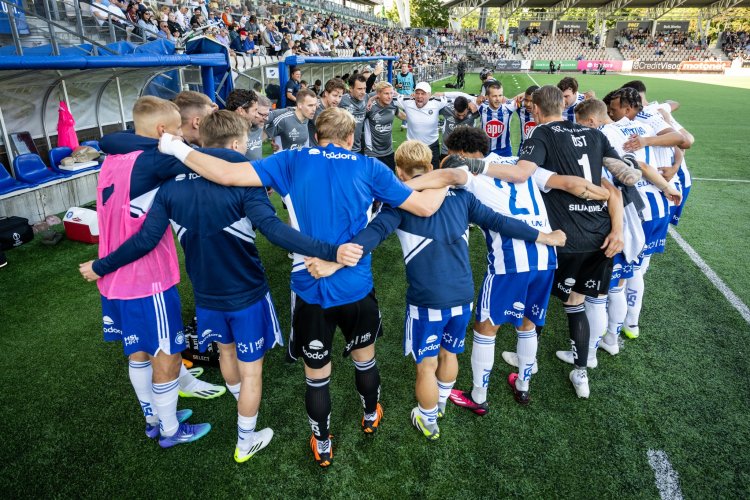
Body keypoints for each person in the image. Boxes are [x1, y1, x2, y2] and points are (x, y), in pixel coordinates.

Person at [155, 107, 467, 467]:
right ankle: (369, 416)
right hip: (355, 287)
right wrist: (446, 175)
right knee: (365, 361)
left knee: (316, 376)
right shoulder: (369, 167)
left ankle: (322, 442)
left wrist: (175, 147)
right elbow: (424, 207)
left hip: (309, 288)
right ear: (351, 139)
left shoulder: (289, 159)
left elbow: (224, 174)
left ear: (316, 134)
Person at [80, 111, 365, 462]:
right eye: (245, 141)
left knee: (227, 354)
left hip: (206, 297)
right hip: (247, 294)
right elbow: (275, 232)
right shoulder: (244, 183)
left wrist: (101, 266)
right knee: (252, 371)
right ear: (234, 143)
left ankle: (236, 407)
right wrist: (329, 250)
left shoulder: (169, 189)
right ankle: (246, 439)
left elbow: (145, 240)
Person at [305, 140, 565, 439]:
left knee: (426, 364)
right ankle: (440, 404)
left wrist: (334, 263)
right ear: (430, 167)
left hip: (427, 299)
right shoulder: (463, 198)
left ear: (399, 172)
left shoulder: (399, 204)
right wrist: (544, 236)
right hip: (464, 293)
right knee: (449, 352)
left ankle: (428, 419)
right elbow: (501, 222)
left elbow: (370, 237)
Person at [469, 85, 627, 399]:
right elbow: (609, 186)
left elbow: (519, 174)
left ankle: (497, 383)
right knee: (577, 303)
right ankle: (579, 369)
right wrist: (616, 227)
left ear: (536, 111)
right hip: (600, 233)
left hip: (557, 241)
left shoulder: (537, 139)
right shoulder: (592, 135)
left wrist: (477, 167)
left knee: (509, 318)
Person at [441, 126, 607, 410]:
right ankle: (523, 387)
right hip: (546, 258)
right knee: (528, 325)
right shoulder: (523, 165)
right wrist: (603, 195)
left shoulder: (468, 173)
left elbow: (445, 172)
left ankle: (478, 396)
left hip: (509, 261)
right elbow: (571, 184)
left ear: (462, 153)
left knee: (486, 329)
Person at [80, 97, 213, 448]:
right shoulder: (156, 159)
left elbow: (111, 139)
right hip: (145, 279)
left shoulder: (114, 157)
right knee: (166, 355)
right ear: (161, 132)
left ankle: (154, 417)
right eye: (174, 132)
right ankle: (170, 430)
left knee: (138, 351)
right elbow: (206, 162)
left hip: (116, 284)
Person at [576, 96, 681, 356]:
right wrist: (668, 186)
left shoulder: (606, 134)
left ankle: (588, 354)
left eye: (581, 125)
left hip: (631, 211)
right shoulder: (639, 125)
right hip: (655, 206)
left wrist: (668, 186)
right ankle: (617, 333)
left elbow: (638, 167)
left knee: (603, 290)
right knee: (629, 275)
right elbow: (679, 143)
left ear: (592, 121)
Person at [605, 88, 684, 342]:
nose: (611, 112)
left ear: (627, 109)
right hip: (660, 204)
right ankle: (631, 323)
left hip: (639, 207)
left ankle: (614, 330)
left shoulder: (617, 131)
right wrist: (671, 175)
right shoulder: (650, 125)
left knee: (627, 272)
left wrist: (668, 179)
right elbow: (683, 140)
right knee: (639, 268)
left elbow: (642, 165)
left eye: (614, 108)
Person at [394, 81, 470, 170]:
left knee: (434, 172)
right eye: (417, 93)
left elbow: (459, 97)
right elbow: (387, 95)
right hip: (412, 146)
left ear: (429, 95)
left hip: (432, 145)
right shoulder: (406, 101)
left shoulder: (437, 101)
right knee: (412, 173)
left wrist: (469, 102)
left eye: (423, 93)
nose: (419, 96)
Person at [363, 82, 406, 170]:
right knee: (373, 182)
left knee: (390, 181)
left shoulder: (393, 105)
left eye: (391, 93)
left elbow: (403, 116)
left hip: (388, 152)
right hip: (372, 153)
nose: (389, 97)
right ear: (378, 94)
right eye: (386, 93)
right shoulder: (370, 107)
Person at [477, 81, 520, 157]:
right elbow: (461, 96)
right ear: (487, 97)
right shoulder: (481, 106)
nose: (498, 99)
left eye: (500, 95)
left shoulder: (508, 108)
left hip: (504, 151)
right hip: (485, 151)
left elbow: (526, 95)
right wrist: (470, 101)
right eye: (494, 96)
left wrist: (516, 97)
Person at [438, 95, 479, 162]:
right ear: (454, 108)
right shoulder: (446, 109)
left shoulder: (473, 111)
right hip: (446, 151)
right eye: (458, 115)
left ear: (467, 108)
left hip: (465, 151)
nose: (461, 118)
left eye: (464, 115)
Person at [338, 74, 368, 154]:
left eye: (364, 88)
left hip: (358, 148)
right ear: (350, 88)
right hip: (343, 148)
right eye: (359, 89)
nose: (363, 92)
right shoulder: (342, 99)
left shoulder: (366, 98)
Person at [516, 85, 539, 155]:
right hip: (523, 150)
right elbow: (507, 102)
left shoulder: (545, 110)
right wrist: (523, 94)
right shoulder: (520, 108)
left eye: (532, 101)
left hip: (539, 150)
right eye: (526, 100)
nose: (528, 104)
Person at [394, 61, 415, 130]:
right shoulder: (398, 75)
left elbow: (414, 85)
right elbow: (396, 86)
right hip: (400, 95)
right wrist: (397, 86)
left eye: (405, 66)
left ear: (407, 68)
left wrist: (414, 93)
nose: (403, 68)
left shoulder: (411, 75)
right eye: (402, 66)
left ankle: (404, 123)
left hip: (408, 95)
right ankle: (407, 123)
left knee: (406, 109)